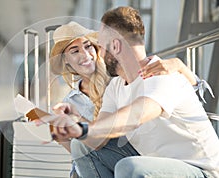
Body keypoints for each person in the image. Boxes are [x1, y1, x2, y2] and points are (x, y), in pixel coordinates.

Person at [40, 6, 219, 178]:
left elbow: (135, 116)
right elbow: (98, 139)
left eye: (100, 47)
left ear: (115, 47)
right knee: (82, 147)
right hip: (154, 165)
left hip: (200, 170)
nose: (98, 54)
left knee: (129, 167)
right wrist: (76, 120)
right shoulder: (116, 86)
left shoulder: (163, 76)